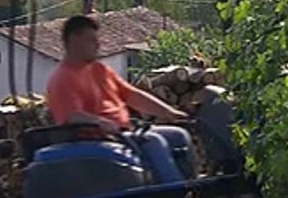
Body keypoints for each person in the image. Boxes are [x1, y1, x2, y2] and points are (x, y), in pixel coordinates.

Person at [45, 14, 194, 182]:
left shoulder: (99, 70)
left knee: (179, 135)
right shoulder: (63, 79)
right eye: (92, 40)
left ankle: (192, 186)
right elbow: (71, 116)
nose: (98, 44)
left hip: (123, 132)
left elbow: (132, 95)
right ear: (74, 40)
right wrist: (100, 122)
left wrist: (169, 112)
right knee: (153, 141)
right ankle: (175, 191)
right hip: (97, 138)